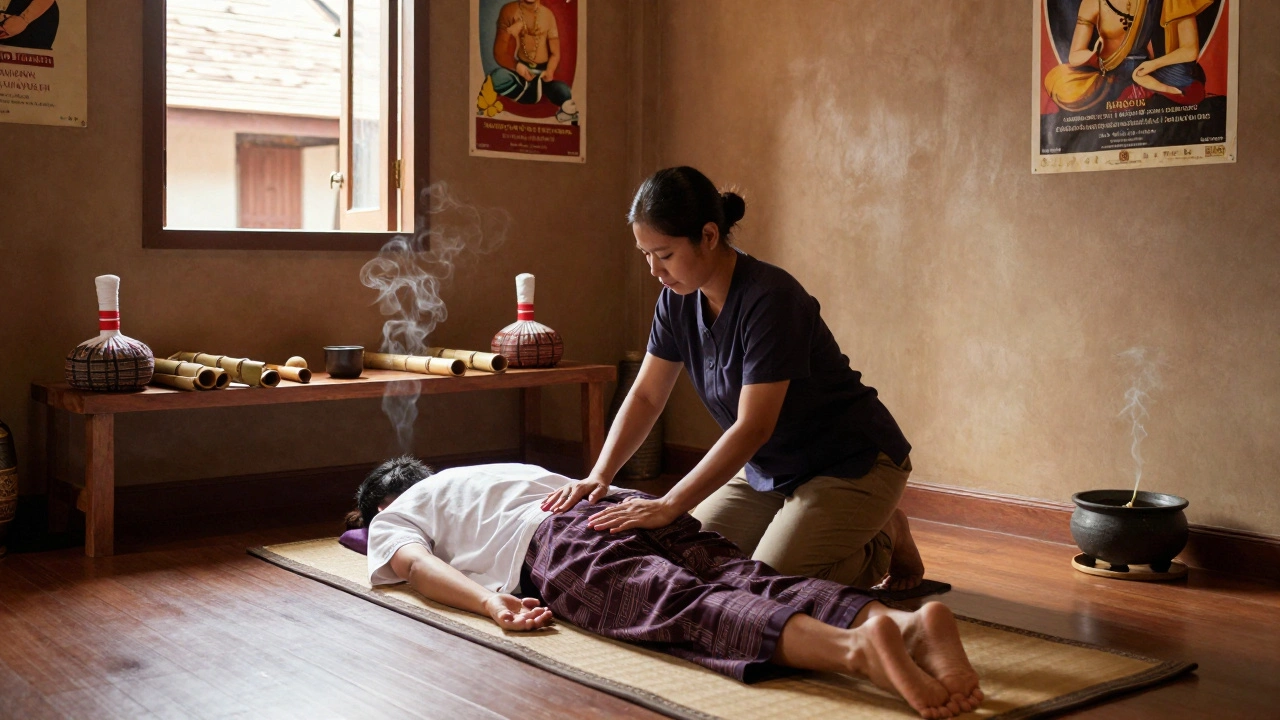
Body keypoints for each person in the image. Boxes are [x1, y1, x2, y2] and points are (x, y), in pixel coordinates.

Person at [350, 457, 983, 719]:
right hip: (630, 505)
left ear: (378, 503)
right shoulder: (487, 469)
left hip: (556, 544)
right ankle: (900, 624)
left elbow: (415, 568)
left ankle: (856, 652)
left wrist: (492, 603)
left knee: (683, 606)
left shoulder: (392, 516)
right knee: (741, 574)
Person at [543, 166, 923, 592]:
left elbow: (753, 426)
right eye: (645, 254)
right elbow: (648, 395)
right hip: (769, 468)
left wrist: (670, 503)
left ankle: (884, 537)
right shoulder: (676, 300)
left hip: (850, 464)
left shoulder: (771, 298)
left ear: (708, 236)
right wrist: (601, 474)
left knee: (766, 588)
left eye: (664, 254)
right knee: (691, 559)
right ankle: (836, 525)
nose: (654, 270)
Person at [1044, 0, 1215, 112]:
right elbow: (1075, 55)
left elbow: (1189, 50)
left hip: (1143, 68)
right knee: (1058, 82)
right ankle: (1141, 90)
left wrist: (1152, 65)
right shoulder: (1093, 2)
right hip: (1107, 71)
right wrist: (1094, 55)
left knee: (1187, 77)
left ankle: (1144, 89)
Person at [482, 0, 578, 124]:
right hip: (521, 70)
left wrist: (550, 71)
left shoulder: (548, 15)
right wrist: (517, 65)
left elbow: (555, 53)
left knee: (564, 91)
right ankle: (530, 91)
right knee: (496, 77)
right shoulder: (509, 11)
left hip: (542, 74)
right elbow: (499, 53)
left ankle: (532, 91)